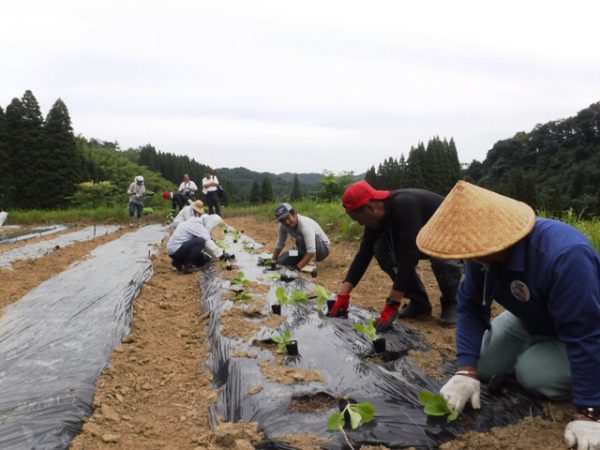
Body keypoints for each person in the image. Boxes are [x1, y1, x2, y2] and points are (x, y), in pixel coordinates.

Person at [415, 180, 600, 450]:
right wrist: (466, 370)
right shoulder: (481, 257)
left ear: (494, 240)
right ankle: (538, 347)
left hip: (585, 327)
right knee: (485, 365)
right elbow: (470, 308)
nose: (467, 258)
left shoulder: (564, 255)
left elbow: (585, 332)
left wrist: (590, 411)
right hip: (530, 316)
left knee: (533, 376)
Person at [328, 180, 463, 329]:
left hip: (452, 236)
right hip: (422, 239)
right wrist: (343, 294)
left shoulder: (404, 204)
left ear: (369, 208)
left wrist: (393, 302)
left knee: (441, 256)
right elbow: (364, 254)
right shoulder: (375, 217)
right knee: (381, 249)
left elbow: (409, 255)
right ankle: (419, 303)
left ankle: (452, 302)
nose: (361, 224)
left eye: (359, 219)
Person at [166, 202, 232, 273]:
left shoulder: (198, 222)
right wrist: (221, 255)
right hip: (175, 250)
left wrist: (217, 255)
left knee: (204, 259)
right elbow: (207, 243)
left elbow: (206, 248)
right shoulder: (197, 224)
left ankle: (177, 262)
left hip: (177, 250)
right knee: (200, 241)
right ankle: (188, 266)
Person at [271, 203, 330, 270]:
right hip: (302, 250)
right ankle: (302, 259)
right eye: (282, 221)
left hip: (321, 250)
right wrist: (272, 261)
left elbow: (311, 252)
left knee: (300, 238)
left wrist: (297, 268)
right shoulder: (283, 226)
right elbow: (280, 243)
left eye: (287, 218)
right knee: (280, 262)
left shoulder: (305, 225)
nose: (287, 222)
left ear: (293, 214)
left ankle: (309, 263)